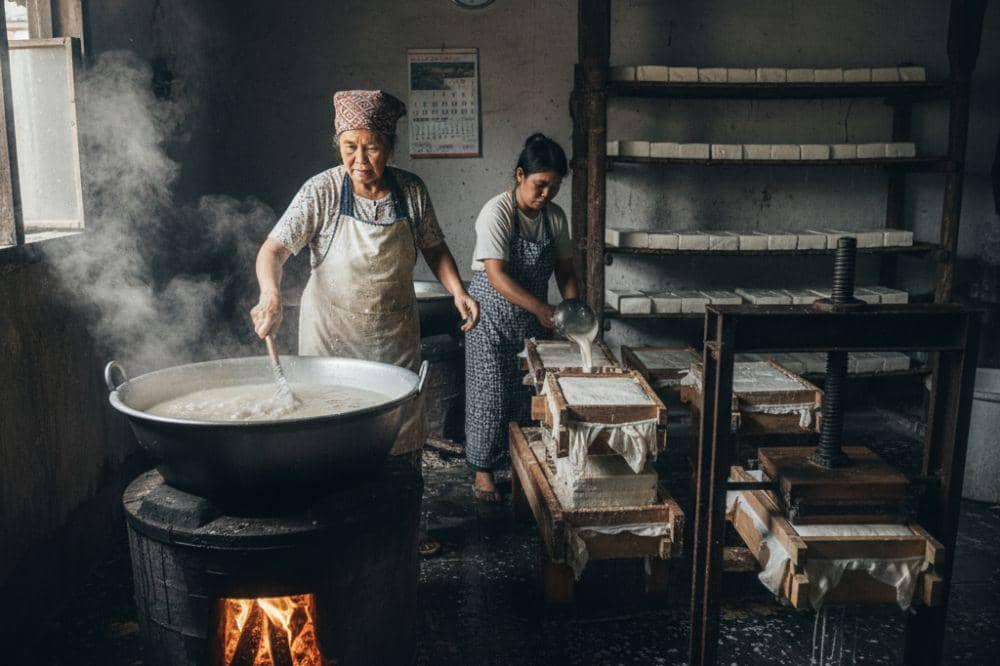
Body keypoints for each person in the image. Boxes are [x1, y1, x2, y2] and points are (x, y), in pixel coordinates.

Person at [251, 90, 479, 555]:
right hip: (331, 336)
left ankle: (405, 530)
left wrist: (458, 290)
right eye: (349, 146)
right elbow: (273, 250)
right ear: (338, 145)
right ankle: (332, 533)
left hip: (393, 335)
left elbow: (433, 247)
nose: (360, 159)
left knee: (399, 437)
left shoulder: (410, 190)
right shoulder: (320, 191)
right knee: (330, 435)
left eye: (371, 146)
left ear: (389, 147)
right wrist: (270, 292)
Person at [464, 134, 580, 502]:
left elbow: (565, 269)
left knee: (526, 395)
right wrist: (544, 309)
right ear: (519, 175)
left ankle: (520, 463)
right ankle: (483, 472)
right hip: (491, 316)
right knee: (491, 395)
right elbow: (496, 275)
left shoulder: (554, 219)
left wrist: (574, 310)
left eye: (554, 186)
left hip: (530, 318)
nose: (546, 194)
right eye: (540, 184)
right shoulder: (497, 212)